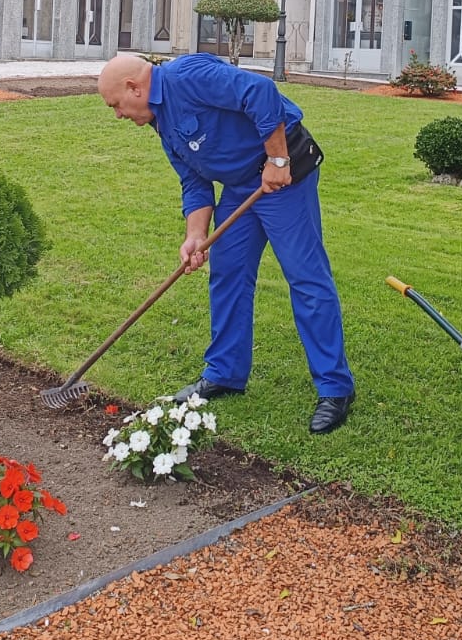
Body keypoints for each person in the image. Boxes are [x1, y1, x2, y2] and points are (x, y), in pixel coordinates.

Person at [96, 52, 355, 433]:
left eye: (116, 105)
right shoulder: (160, 120)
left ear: (135, 88)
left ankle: (335, 388)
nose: (118, 115)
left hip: (283, 181)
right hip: (240, 189)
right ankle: (225, 372)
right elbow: (194, 181)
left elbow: (261, 92)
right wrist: (196, 235)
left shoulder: (188, 76)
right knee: (228, 274)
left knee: (305, 278)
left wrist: (278, 160)